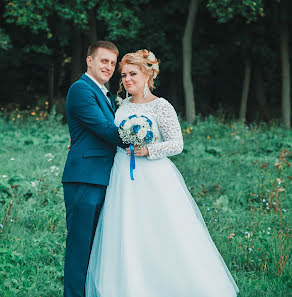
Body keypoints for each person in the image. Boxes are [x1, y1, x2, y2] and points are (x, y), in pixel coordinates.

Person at [85, 49, 240, 297]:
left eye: (132, 74)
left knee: (160, 230)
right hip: (123, 176)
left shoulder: (161, 106)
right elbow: (112, 136)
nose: (126, 79)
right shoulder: (122, 105)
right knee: (127, 231)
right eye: (123, 75)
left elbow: (177, 144)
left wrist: (147, 150)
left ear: (147, 75)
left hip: (154, 177)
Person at [61, 41, 126, 297]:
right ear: (89, 61)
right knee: (80, 247)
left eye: (112, 63)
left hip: (104, 177)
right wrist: (145, 139)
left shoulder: (106, 94)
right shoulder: (81, 89)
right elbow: (106, 129)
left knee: (97, 247)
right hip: (84, 179)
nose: (108, 67)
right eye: (104, 61)